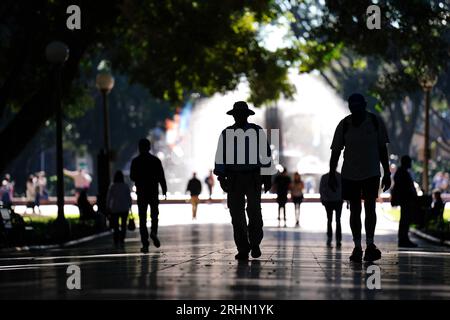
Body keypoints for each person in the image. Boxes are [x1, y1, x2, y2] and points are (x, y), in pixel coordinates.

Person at [329, 93, 391, 262]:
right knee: (355, 210)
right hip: (350, 174)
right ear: (349, 107)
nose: (355, 109)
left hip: (371, 172)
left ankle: (370, 244)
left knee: (370, 208)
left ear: (364, 105)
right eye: (352, 106)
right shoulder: (344, 124)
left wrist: (387, 173)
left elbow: (382, 149)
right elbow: (335, 151)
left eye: (358, 106)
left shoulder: (375, 122)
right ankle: (357, 246)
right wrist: (332, 174)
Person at [214, 101, 273, 260]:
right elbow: (221, 157)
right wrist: (221, 177)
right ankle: (243, 247)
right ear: (233, 116)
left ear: (247, 115)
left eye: (242, 114)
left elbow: (266, 154)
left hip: (253, 176)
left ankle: (254, 243)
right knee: (236, 214)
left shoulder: (256, 131)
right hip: (233, 177)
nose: (239, 116)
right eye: (237, 114)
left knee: (254, 211)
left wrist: (267, 177)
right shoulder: (226, 133)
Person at [130, 138, 167, 253]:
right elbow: (161, 176)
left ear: (139, 148)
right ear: (149, 147)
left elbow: (132, 176)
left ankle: (145, 243)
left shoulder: (135, 161)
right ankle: (154, 232)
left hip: (142, 193)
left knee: (142, 218)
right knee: (154, 215)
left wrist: (140, 179)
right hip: (153, 192)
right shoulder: (155, 160)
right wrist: (164, 190)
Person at [391, 155, 418, 247]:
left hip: (405, 199)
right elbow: (404, 187)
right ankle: (403, 239)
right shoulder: (402, 173)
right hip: (405, 200)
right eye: (409, 162)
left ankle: (404, 238)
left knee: (405, 219)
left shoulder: (402, 172)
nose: (411, 164)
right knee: (405, 219)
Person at [107, 170, 132, 246]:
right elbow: (129, 197)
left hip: (115, 208)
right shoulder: (125, 186)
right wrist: (130, 206)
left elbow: (109, 198)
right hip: (124, 208)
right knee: (124, 225)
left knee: (116, 225)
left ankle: (116, 238)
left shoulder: (112, 186)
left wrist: (108, 206)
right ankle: (122, 238)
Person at [320, 172, 343, 247]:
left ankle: (329, 237)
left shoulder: (324, 177)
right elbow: (343, 188)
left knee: (329, 220)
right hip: (338, 201)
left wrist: (323, 199)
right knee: (338, 220)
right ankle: (338, 239)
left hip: (328, 201)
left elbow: (321, 189)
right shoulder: (340, 176)